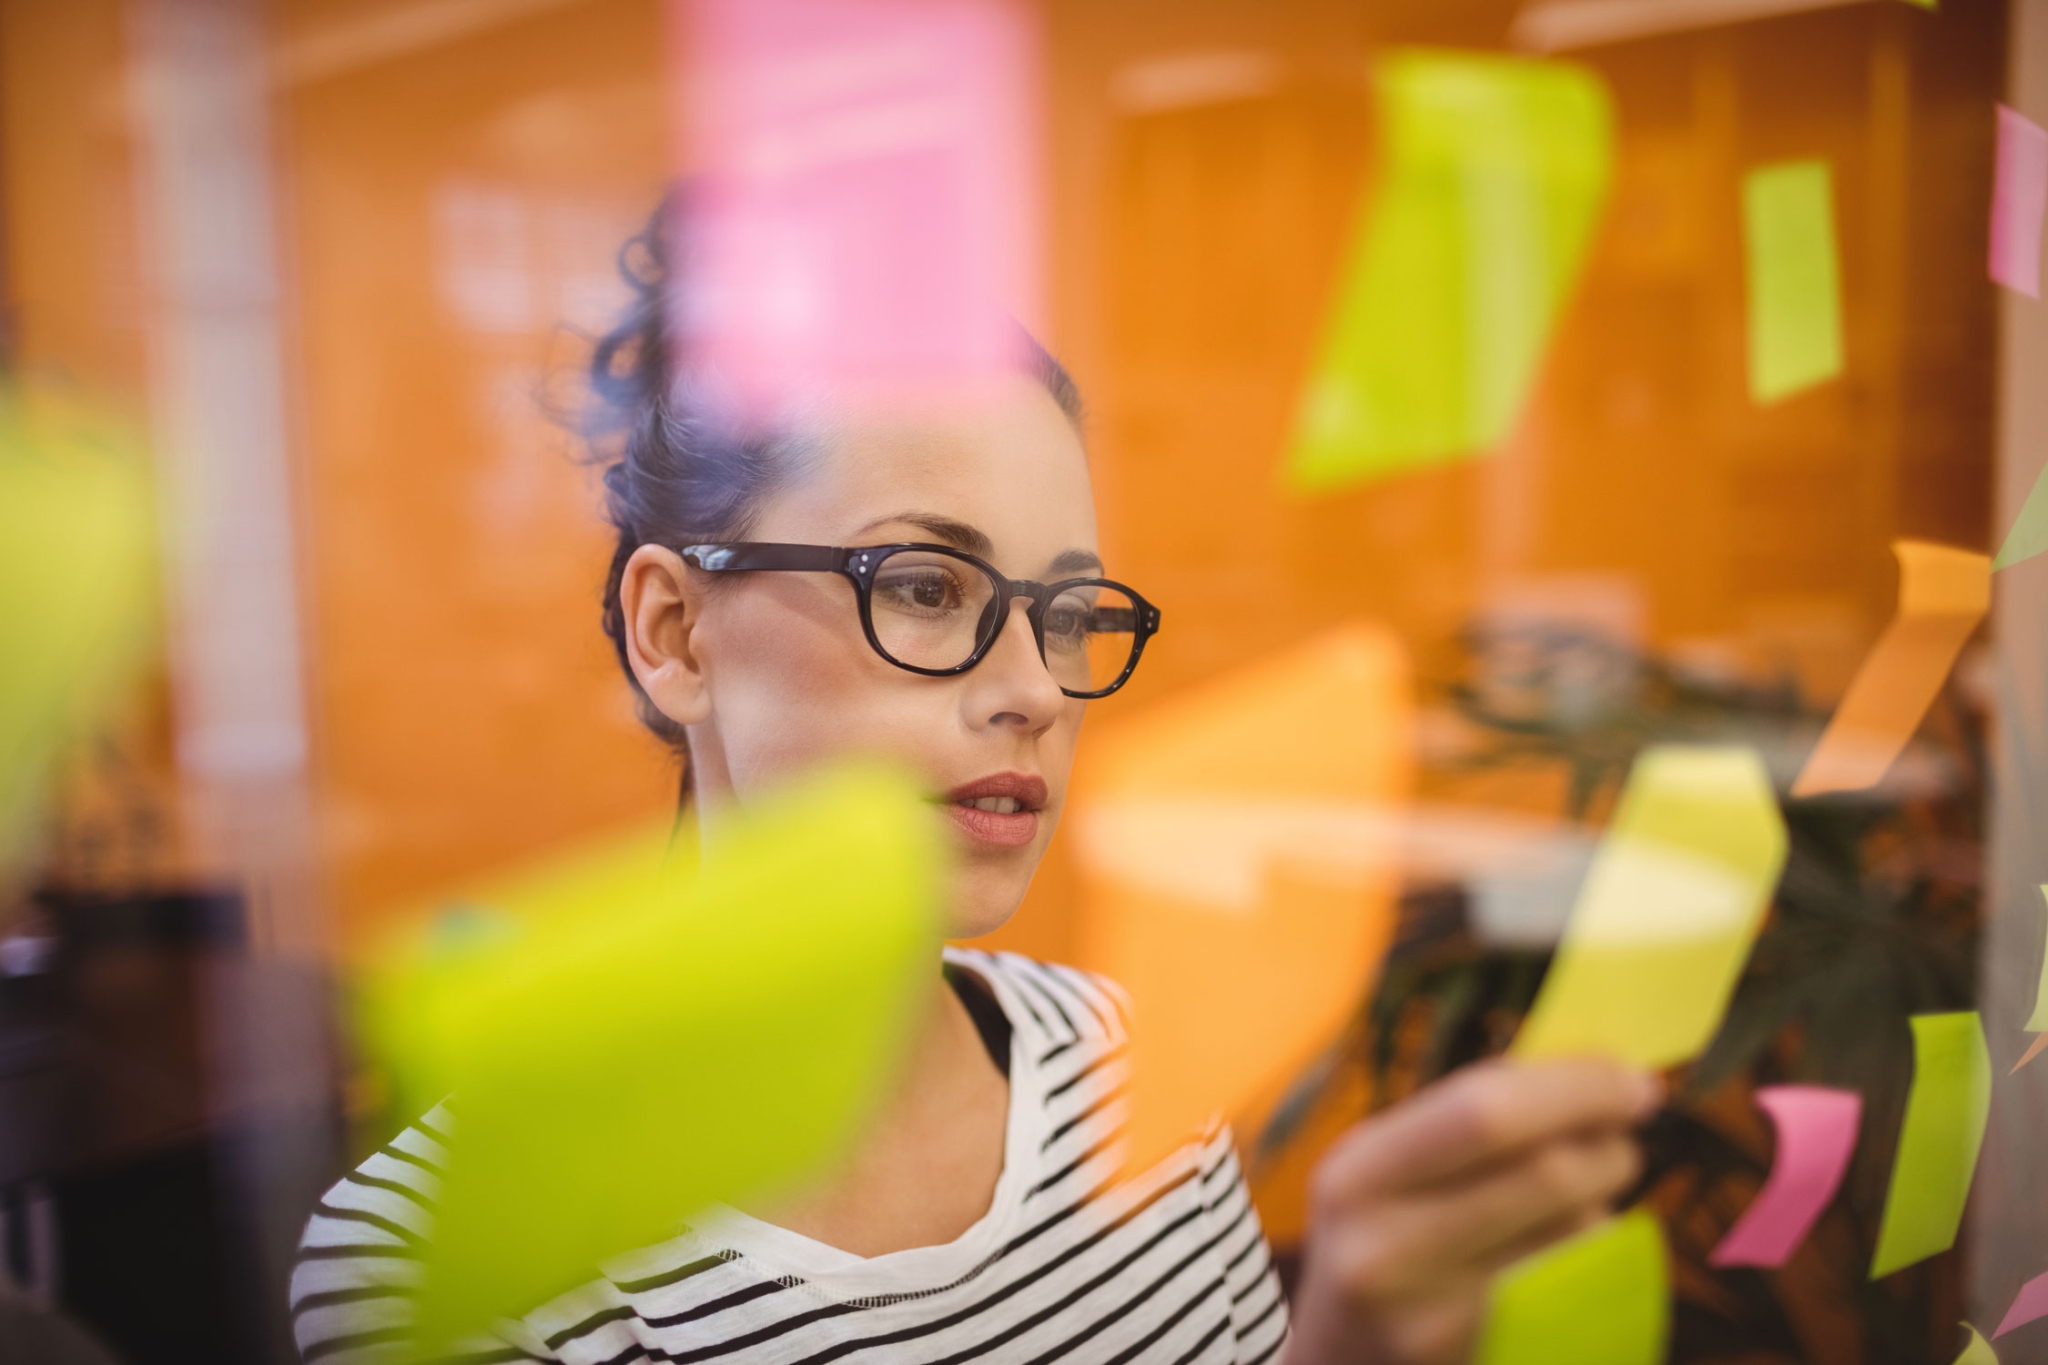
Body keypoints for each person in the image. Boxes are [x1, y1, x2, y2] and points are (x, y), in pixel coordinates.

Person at [290, 203, 1659, 1365]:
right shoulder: (440, 1259)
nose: (1039, 687)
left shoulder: (1130, 1057)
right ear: (676, 632)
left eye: (1068, 613)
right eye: (928, 586)